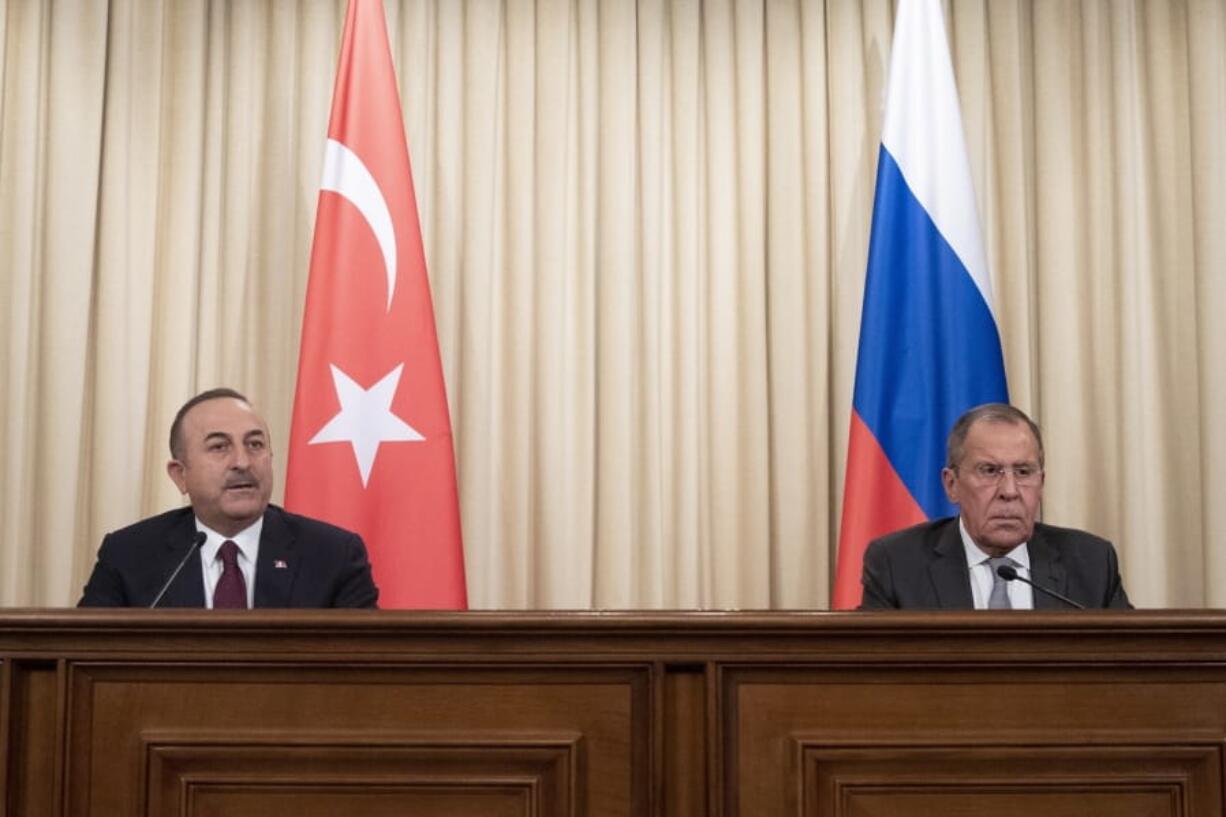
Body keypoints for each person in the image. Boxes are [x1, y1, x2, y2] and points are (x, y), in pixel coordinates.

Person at [79, 388, 379, 608]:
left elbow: (365, 673)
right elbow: (84, 656)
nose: (243, 462)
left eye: (255, 444)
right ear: (180, 474)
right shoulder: (129, 555)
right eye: (219, 447)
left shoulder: (333, 556)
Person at [858, 403, 1130, 610]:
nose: (1010, 492)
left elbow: (1129, 668)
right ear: (952, 484)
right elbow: (873, 675)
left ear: (1042, 483)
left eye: (1023, 472)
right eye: (989, 470)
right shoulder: (897, 564)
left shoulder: (1092, 563)